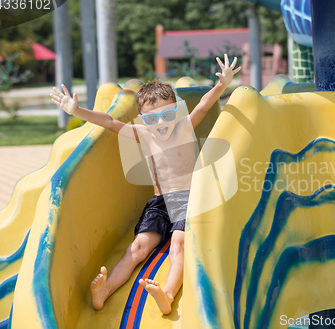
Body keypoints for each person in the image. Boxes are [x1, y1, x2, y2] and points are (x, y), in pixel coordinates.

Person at [50, 54, 241, 315]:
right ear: (142, 119)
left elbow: (204, 106)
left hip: (188, 199)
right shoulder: (144, 134)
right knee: (137, 247)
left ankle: (168, 294)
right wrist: (76, 111)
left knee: (179, 244)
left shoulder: (184, 127)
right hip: (160, 204)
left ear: (177, 109)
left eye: (168, 114)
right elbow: (109, 122)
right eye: (152, 118)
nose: (161, 123)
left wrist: (222, 85)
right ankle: (104, 291)